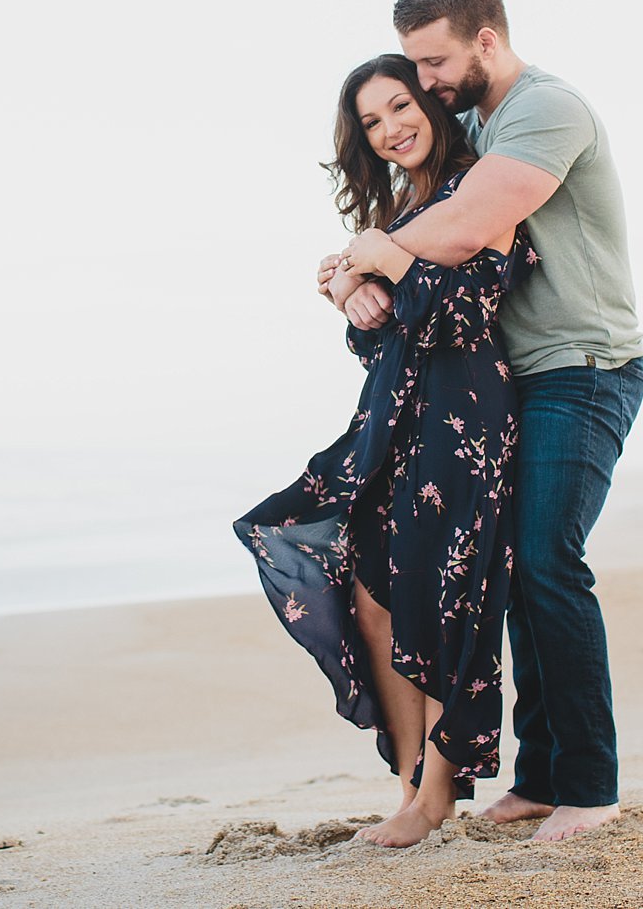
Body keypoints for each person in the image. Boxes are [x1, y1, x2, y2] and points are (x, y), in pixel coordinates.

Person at [320, 0, 643, 843]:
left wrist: (366, 253)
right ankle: (539, 775)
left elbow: (464, 226)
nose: (423, 84)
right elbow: (419, 200)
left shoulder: (546, 108)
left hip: (583, 365)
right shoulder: (468, 119)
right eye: (416, 69)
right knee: (517, 575)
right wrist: (347, 271)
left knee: (547, 560)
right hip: (520, 377)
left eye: (433, 63)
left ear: (486, 39)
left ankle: (590, 783)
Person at [235, 53, 536, 849]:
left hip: (463, 412)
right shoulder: (400, 208)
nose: (390, 127)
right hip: (393, 418)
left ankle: (434, 797)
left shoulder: (477, 187)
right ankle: (410, 785)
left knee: (437, 603)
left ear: (431, 106)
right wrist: (353, 292)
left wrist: (377, 259)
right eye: (371, 121)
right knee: (373, 596)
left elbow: (468, 314)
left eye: (399, 105)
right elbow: (386, 334)